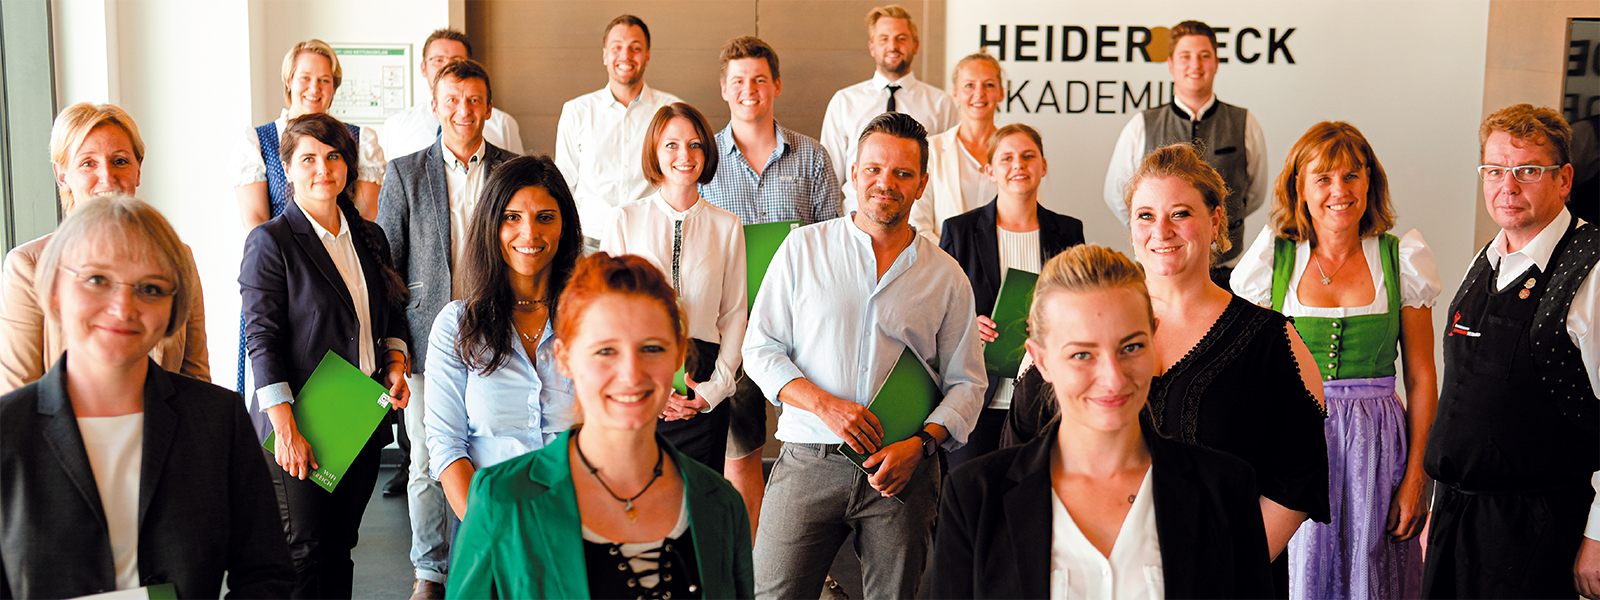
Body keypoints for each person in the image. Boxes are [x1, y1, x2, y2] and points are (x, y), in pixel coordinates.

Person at [1008, 143, 1330, 599]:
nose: (1161, 231)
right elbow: (1022, 453)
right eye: (1145, 216)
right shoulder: (1070, 331)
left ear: (1216, 219)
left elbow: (1297, 479)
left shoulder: (1272, 341)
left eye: (1180, 213)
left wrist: (1219, 570)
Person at [927, 244, 1273, 600]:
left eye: (1131, 347)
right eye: (1081, 354)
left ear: (1154, 339)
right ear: (1041, 361)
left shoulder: (1226, 489)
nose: (1113, 378)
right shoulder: (974, 497)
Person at [0, 195, 294, 599]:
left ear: (174, 310)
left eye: (151, 288)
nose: (123, 307)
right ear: (53, 292)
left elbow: (267, 576)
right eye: (97, 280)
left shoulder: (219, 422)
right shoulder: (8, 431)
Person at [743, 112, 985, 600]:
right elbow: (760, 347)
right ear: (853, 173)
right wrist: (825, 405)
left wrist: (922, 445)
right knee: (773, 594)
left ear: (921, 184)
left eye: (901, 173)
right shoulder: (801, 249)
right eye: (874, 169)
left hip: (903, 473)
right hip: (808, 460)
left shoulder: (947, 276)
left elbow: (967, 383)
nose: (885, 183)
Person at [447, 252, 754, 599]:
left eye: (652, 348)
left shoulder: (720, 504)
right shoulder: (502, 499)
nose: (631, 374)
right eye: (606, 351)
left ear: (678, 356)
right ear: (564, 358)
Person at [1231, 122, 1439, 600]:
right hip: (1294, 444)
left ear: (1370, 181)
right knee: (1299, 574)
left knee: (1374, 574)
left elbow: (1423, 378)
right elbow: (1254, 379)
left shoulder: (1401, 259)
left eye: (1351, 175)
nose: (1339, 191)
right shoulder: (1274, 262)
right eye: (1322, 178)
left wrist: (1417, 478)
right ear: (1298, 187)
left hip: (1380, 446)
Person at [1422, 104, 1600, 600]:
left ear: (1564, 179)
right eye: (1495, 170)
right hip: (1458, 521)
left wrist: (1599, 536)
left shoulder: (1593, 271)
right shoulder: (1487, 256)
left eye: (1527, 171)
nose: (1508, 186)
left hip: (1538, 528)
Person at [239, 113, 411, 600]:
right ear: (287, 170)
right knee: (303, 551)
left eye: (334, 156)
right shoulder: (271, 241)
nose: (323, 168)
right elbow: (262, 338)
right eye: (309, 158)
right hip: (302, 418)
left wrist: (395, 365)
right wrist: (286, 428)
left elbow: (391, 314)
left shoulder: (369, 236)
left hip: (360, 408)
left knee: (340, 545)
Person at [375, 56, 520, 600]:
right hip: (425, 342)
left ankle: (492, 556)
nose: (465, 111)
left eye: (475, 100)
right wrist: (395, 347)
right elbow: (388, 266)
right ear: (434, 105)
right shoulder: (405, 171)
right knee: (426, 461)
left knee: (496, 448)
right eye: (453, 100)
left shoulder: (512, 169)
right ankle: (429, 573)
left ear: (488, 106)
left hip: (499, 336)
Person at [699, 35, 841, 534]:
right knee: (742, 458)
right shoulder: (704, 161)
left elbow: (836, 241)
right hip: (734, 330)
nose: (749, 89)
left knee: (812, 455)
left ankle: (803, 561)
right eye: (738, 81)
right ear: (724, 90)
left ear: (776, 84)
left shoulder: (812, 156)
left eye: (759, 79)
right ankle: (755, 571)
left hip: (804, 331)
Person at [1, 102, 208, 394]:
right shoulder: (28, 265)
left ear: (138, 171)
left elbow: (196, 382)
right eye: (88, 163)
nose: (108, 177)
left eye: (120, 161)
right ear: (62, 176)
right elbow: (17, 396)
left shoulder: (177, 257)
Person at [426, 154, 583, 521]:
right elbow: (448, 449)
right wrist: (492, 534)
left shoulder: (590, 322)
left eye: (545, 218)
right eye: (512, 218)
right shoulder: (456, 326)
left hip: (577, 527)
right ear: (491, 225)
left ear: (564, 227)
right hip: (488, 525)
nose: (529, 234)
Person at [232, 39, 388, 407]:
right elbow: (255, 221)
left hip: (344, 266)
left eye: (324, 80)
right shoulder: (258, 140)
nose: (314, 88)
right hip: (286, 277)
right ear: (288, 81)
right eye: (305, 78)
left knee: (348, 403)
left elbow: (365, 216)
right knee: (281, 378)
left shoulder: (360, 139)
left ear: (335, 85)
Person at [600, 102, 746, 473]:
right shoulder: (624, 219)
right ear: (654, 151)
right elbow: (608, 312)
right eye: (672, 145)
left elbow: (734, 315)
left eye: (696, 145)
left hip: (704, 380)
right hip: (638, 376)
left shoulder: (727, 226)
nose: (685, 155)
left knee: (699, 507)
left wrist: (714, 390)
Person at [938, 123, 1083, 469]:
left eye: (1028, 156)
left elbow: (1082, 308)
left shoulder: (1068, 231)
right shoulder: (959, 231)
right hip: (975, 398)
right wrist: (968, 324)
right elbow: (936, 310)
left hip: (1043, 397)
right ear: (990, 171)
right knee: (972, 507)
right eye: (1006, 158)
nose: (1018, 165)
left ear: (1043, 166)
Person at [1103, 20, 1267, 285]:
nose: (1195, 65)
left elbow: (1255, 193)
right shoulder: (1141, 125)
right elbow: (1116, 194)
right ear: (1171, 65)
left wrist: (1210, 228)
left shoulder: (1245, 123)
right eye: (1185, 57)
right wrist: (1157, 234)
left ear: (1215, 63)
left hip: (1228, 270)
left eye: (1204, 56)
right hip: (1160, 271)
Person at [555, 14, 684, 242]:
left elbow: (680, 176)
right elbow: (565, 182)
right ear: (605, 55)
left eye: (635, 48)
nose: (625, 55)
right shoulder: (576, 111)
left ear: (647, 56)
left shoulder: (671, 110)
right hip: (590, 241)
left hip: (651, 237)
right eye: (617, 47)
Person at [820, 5, 957, 215]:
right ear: (872, 47)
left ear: (916, 45)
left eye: (901, 38)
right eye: (884, 39)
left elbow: (948, 176)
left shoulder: (942, 104)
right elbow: (829, 179)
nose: (893, 46)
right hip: (856, 224)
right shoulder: (844, 101)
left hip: (919, 226)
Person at [381, 28, 524, 162]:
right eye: (438, 60)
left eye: (457, 61)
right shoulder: (396, 125)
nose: (447, 67)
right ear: (423, 68)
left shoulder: (503, 124)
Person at [909, 52, 1004, 243]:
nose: (979, 93)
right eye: (969, 85)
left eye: (989, 85)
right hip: (945, 267)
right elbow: (918, 226)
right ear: (955, 93)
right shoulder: (932, 151)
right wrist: (956, 262)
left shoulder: (1017, 152)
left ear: (1001, 92)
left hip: (1004, 268)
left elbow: (1030, 219)